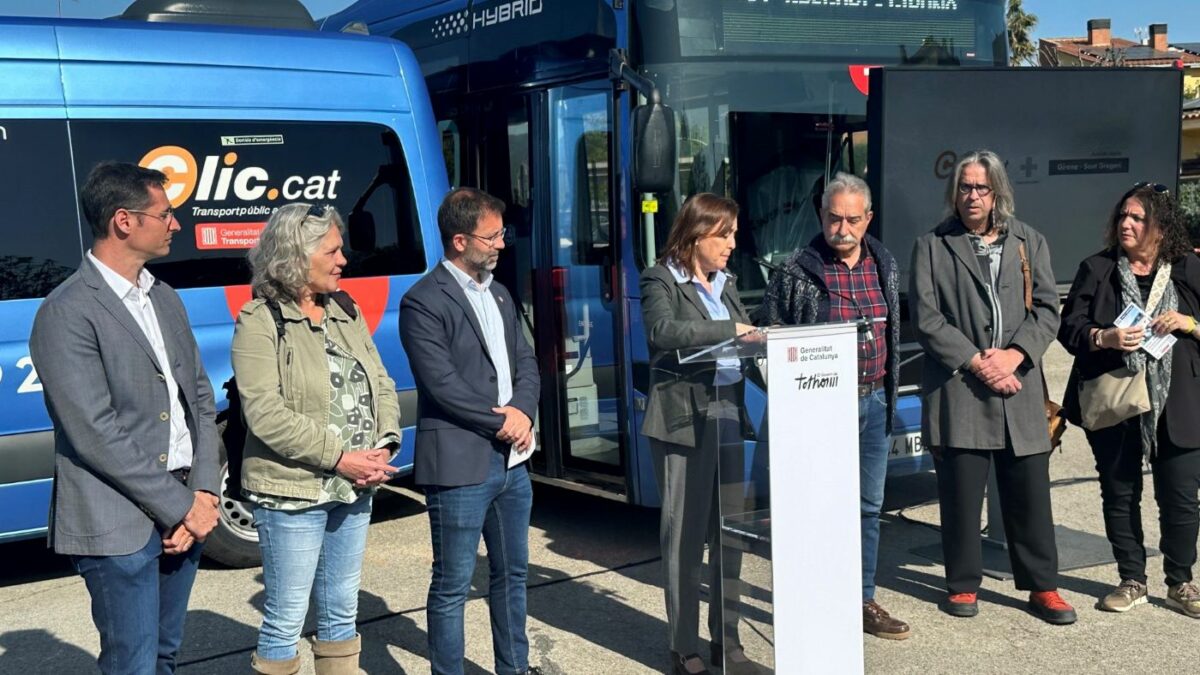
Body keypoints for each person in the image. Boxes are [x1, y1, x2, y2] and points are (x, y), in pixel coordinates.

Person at [29, 161, 220, 674]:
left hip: (185, 507)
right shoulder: (66, 311)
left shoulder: (164, 297)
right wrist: (180, 506)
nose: (176, 224)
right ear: (124, 221)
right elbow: (93, 431)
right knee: (132, 663)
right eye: (165, 213)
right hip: (117, 523)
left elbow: (199, 397)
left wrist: (204, 492)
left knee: (164, 656)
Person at [909, 150, 1076, 624]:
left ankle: (1043, 587)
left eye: (982, 188)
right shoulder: (933, 245)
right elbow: (926, 317)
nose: (972, 196)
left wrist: (1015, 356)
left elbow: (1047, 309)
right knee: (961, 494)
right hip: (961, 385)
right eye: (965, 187)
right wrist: (976, 361)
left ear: (998, 192)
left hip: (1019, 386)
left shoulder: (1030, 241)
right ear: (954, 192)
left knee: (1029, 494)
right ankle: (962, 585)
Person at [232, 203, 400, 675]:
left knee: (341, 613)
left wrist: (384, 445)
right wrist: (342, 457)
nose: (343, 258)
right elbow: (264, 414)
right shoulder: (259, 319)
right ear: (295, 256)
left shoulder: (344, 308)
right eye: (332, 249)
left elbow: (381, 382)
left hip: (354, 485)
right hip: (293, 492)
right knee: (285, 620)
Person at [757, 172, 910, 640]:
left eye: (851, 219)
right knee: (815, 507)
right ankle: (813, 599)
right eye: (833, 217)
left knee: (867, 507)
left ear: (868, 219)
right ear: (821, 215)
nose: (841, 228)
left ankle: (861, 598)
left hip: (875, 401)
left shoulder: (884, 262)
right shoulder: (794, 270)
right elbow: (767, 337)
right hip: (820, 409)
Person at [399, 187, 542, 675]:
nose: (502, 243)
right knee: (453, 585)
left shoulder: (499, 293)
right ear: (460, 241)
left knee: (512, 576)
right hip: (461, 465)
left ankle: (515, 667)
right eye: (493, 235)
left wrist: (523, 410)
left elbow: (526, 360)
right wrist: (505, 421)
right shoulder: (422, 301)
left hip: (513, 465)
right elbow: (443, 385)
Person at [1058, 183, 1200, 618]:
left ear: (1161, 226)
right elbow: (1069, 329)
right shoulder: (1097, 269)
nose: (1126, 224)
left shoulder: (1188, 268)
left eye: (1138, 218)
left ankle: (1181, 582)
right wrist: (1105, 336)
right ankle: (1132, 578)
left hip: (1179, 402)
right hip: (1116, 397)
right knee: (1120, 492)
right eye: (1123, 216)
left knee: (1180, 498)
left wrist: (1189, 322)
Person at [641, 193, 762, 675]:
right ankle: (684, 647)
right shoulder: (661, 278)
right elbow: (662, 331)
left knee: (729, 535)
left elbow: (746, 339)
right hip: (683, 422)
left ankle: (726, 644)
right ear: (697, 234)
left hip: (729, 415)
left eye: (733, 234)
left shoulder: (726, 284)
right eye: (724, 235)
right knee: (685, 540)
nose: (732, 244)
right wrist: (728, 330)